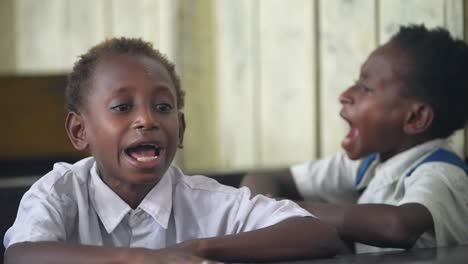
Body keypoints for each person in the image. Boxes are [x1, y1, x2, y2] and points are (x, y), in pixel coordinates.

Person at [3, 38, 344, 263]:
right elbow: (22, 255)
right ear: (80, 131)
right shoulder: (61, 192)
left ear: (180, 130)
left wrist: (198, 248)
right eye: (123, 108)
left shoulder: (208, 202)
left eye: (163, 107)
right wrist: (138, 258)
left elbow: (318, 234)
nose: (146, 120)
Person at [241, 24, 468, 253]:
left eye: (366, 88)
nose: (345, 95)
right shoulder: (367, 164)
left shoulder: (442, 174)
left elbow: (398, 226)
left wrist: (286, 209)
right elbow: (264, 177)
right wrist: (262, 207)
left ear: (415, 118)